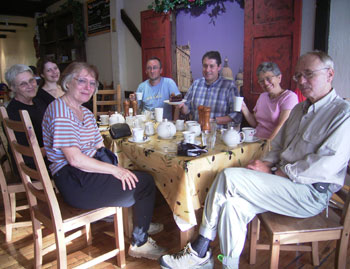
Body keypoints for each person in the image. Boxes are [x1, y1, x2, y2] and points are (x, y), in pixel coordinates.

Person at [159, 51, 350, 269]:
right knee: (232, 205)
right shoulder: (299, 109)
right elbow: (277, 145)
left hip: (309, 192)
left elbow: (325, 165)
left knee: (228, 176)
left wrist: (276, 172)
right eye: (298, 76)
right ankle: (227, 265)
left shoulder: (343, 114)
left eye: (308, 74)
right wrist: (265, 163)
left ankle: (200, 248)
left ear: (330, 74)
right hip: (283, 185)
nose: (302, 82)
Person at [42, 62, 166, 260]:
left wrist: (114, 167)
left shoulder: (86, 113)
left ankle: (141, 220)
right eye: (81, 80)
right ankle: (140, 242)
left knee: (134, 175)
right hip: (74, 182)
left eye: (92, 83)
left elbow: (100, 147)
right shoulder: (60, 111)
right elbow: (74, 159)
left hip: (86, 174)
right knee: (145, 183)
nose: (88, 87)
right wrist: (115, 171)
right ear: (67, 83)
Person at [178, 51, 242, 126]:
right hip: (197, 132)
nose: (207, 70)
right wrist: (181, 106)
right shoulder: (196, 84)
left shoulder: (229, 87)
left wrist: (213, 121)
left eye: (211, 66)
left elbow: (237, 115)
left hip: (219, 134)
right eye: (205, 66)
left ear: (219, 67)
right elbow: (186, 110)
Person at [5, 64, 48, 171]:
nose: (30, 86)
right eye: (23, 84)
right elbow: (27, 154)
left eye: (31, 80)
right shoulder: (13, 112)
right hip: (32, 167)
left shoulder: (39, 102)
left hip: (45, 157)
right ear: (12, 88)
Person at [241, 62, 298, 140]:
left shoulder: (289, 97)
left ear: (279, 78)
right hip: (256, 140)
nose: (265, 83)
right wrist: (243, 107)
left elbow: (281, 126)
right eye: (261, 81)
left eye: (268, 78)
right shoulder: (263, 96)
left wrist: (266, 145)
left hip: (274, 144)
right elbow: (255, 124)